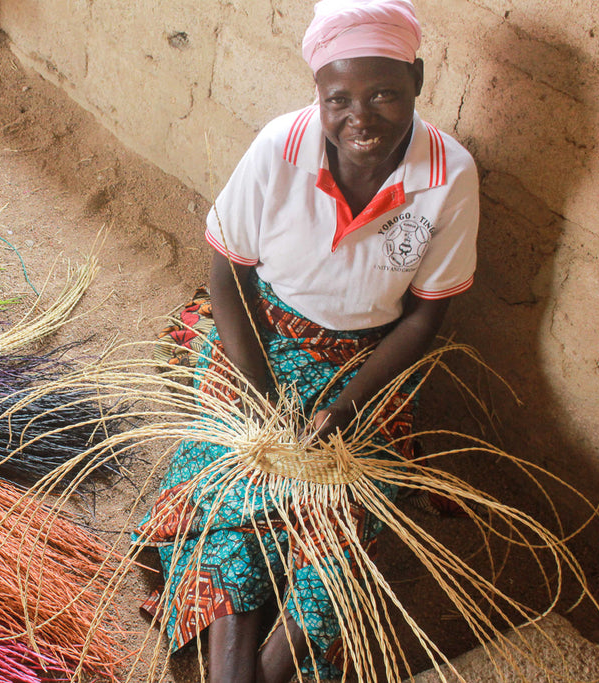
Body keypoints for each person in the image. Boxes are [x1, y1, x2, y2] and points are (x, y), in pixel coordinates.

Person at [135, 0, 479, 680]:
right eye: (338, 97)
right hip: (257, 344)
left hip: (364, 368)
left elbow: (423, 317)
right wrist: (262, 395)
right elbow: (228, 272)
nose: (362, 116)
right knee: (232, 493)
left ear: (418, 75)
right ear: (316, 93)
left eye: (384, 91)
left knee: (339, 523)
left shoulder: (448, 175)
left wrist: (346, 409)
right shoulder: (278, 148)